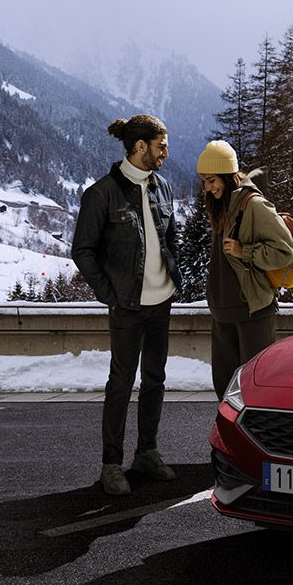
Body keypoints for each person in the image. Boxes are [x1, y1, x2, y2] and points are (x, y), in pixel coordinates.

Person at [72, 114, 182, 496]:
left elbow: (170, 239)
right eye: (161, 146)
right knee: (120, 384)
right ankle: (111, 464)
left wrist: (172, 277)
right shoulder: (101, 193)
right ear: (140, 147)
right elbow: (82, 251)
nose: (166, 153)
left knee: (155, 380)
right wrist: (110, 294)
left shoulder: (162, 187)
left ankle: (147, 453)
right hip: (127, 307)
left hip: (161, 302)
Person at [196, 140, 293, 400]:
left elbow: (286, 250)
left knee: (256, 387)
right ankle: (227, 439)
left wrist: (246, 251)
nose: (207, 189)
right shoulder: (222, 205)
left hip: (252, 311)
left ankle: (257, 440)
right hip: (222, 312)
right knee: (225, 389)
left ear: (228, 176)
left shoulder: (253, 205)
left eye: (212, 181)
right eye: (205, 182)